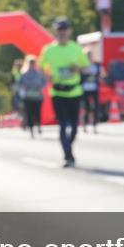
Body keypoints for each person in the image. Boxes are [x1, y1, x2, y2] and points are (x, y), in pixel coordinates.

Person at [39, 16, 89, 167]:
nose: (62, 33)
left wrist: (77, 68)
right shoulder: (49, 50)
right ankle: (68, 156)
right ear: (55, 32)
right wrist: (47, 76)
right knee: (62, 125)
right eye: (59, 30)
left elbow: (86, 67)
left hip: (74, 92)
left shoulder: (76, 48)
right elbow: (41, 66)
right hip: (57, 93)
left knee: (74, 127)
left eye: (64, 30)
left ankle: (69, 150)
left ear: (69, 31)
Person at [18, 55, 46, 137]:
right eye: (30, 63)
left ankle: (38, 125)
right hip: (28, 97)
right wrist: (23, 90)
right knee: (29, 113)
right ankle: (31, 129)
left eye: (33, 63)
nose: (32, 65)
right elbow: (20, 84)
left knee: (37, 112)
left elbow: (44, 82)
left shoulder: (39, 73)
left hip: (37, 96)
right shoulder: (24, 74)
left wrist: (40, 87)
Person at [81, 56, 101, 134]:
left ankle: (95, 126)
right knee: (86, 108)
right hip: (85, 90)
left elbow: (99, 75)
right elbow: (81, 76)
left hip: (94, 90)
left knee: (95, 108)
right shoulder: (83, 66)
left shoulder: (96, 65)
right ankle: (85, 125)